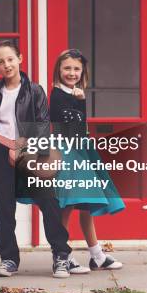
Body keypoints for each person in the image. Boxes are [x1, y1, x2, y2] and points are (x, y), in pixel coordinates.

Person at [0, 39, 72, 279]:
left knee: (49, 204)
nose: (6, 65)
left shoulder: (35, 91)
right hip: (1, 156)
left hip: (32, 154)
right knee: (4, 208)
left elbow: (42, 125)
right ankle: (9, 258)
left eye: (10, 59)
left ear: (20, 58)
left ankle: (61, 255)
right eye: (1, 62)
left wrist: (21, 147)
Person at [50, 49, 125, 272]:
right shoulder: (56, 94)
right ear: (59, 70)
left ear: (83, 72)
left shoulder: (76, 93)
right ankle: (61, 256)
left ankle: (97, 255)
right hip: (66, 152)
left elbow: (81, 125)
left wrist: (80, 101)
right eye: (67, 68)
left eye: (76, 69)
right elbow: (69, 125)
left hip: (81, 149)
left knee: (87, 203)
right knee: (67, 204)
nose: (71, 73)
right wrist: (79, 102)